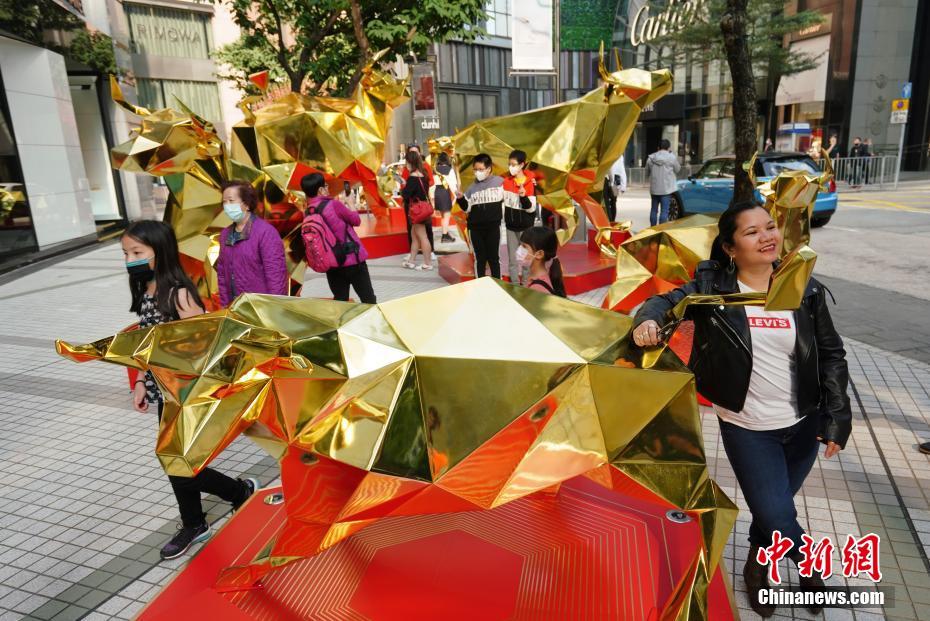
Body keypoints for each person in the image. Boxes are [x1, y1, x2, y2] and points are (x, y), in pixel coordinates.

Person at [631, 200, 852, 618]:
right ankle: (810, 564)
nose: (767, 237)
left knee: (774, 508)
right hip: (747, 428)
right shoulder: (712, 289)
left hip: (803, 424)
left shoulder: (803, 288)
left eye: (769, 227)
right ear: (730, 248)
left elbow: (831, 354)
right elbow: (662, 302)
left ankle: (755, 564)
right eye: (752, 232)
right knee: (775, 511)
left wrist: (838, 416)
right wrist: (646, 321)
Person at [122, 220, 259, 560]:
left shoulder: (179, 294)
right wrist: (140, 382)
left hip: (186, 395)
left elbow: (207, 347)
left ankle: (213, 509)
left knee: (176, 463)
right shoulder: (146, 289)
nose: (129, 260)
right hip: (163, 393)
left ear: (160, 251)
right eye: (125, 253)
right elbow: (147, 343)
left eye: (137, 252)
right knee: (176, 461)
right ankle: (222, 503)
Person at [300, 173, 377, 301]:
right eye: (326, 186)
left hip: (332, 264)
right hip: (352, 260)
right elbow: (356, 220)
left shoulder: (308, 212)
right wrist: (351, 203)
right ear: (320, 190)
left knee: (340, 301)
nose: (328, 188)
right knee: (368, 299)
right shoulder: (334, 205)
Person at [216, 181, 288, 307]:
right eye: (224, 202)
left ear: (247, 204)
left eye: (231, 201)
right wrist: (225, 306)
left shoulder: (266, 232)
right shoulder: (225, 234)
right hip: (235, 308)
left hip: (262, 308)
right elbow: (222, 274)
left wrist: (275, 308)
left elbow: (276, 275)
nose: (227, 206)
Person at [456, 153, 504, 279]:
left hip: (493, 227)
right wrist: (460, 198)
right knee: (479, 259)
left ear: (489, 169)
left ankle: (498, 284)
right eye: (475, 169)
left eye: (481, 169)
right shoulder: (471, 188)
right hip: (475, 229)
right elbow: (467, 208)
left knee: (494, 258)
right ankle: (479, 284)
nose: (478, 172)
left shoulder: (500, 183)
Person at [503, 150, 537, 285]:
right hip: (511, 228)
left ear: (522, 165)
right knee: (512, 260)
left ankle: (525, 283)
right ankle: (515, 285)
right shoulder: (506, 182)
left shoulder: (531, 183)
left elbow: (531, 208)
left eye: (513, 164)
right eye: (509, 164)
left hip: (526, 228)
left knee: (525, 259)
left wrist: (523, 197)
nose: (510, 167)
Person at [400, 150, 434, 271]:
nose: (406, 165)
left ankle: (427, 263)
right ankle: (411, 261)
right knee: (414, 236)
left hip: (417, 210)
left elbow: (406, 194)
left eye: (407, 163)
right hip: (422, 208)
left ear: (411, 162)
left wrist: (404, 184)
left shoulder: (412, 178)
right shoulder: (423, 175)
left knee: (422, 236)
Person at [517, 226, 566, 296]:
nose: (519, 250)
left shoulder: (537, 289)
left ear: (539, 254)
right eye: (520, 245)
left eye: (524, 246)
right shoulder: (536, 277)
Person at [646, 139, 681, 226]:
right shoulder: (671, 157)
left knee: (654, 210)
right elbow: (678, 169)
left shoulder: (651, 158)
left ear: (658, 148)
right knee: (664, 211)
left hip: (654, 189)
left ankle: (652, 229)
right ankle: (660, 229)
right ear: (668, 148)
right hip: (666, 190)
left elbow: (647, 173)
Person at [432, 152, 458, 243]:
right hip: (445, 192)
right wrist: (456, 196)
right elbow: (453, 184)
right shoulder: (449, 170)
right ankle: (445, 236)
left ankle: (445, 233)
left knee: (443, 216)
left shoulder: (435, 169)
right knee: (446, 216)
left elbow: (432, 184)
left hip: (437, 192)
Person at [603, 154, 627, 222]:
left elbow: (613, 169)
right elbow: (622, 170)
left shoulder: (610, 154)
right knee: (613, 202)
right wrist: (623, 185)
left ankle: (610, 220)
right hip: (615, 180)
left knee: (607, 202)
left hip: (609, 179)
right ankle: (612, 220)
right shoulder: (620, 156)